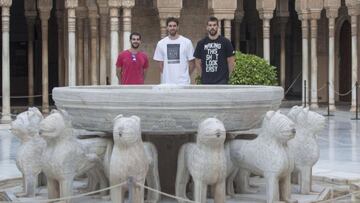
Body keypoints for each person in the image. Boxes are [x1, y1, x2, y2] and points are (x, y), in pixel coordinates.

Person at [153, 17, 195, 84]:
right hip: (167, 82)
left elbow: (192, 63)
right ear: (167, 27)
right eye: (170, 26)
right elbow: (160, 64)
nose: (172, 28)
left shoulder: (187, 42)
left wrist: (185, 75)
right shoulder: (161, 43)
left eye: (174, 26)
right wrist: (166, 75)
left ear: (178, 27)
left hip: (183, 83)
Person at [194, 16, 235, 84]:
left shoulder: (225, 42)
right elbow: (197, 62)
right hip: (206, 82)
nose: (212, 27)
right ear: (207, 27)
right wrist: (203, 77)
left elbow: (231, 61)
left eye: (214, 25)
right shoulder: (201, 43)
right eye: (210, 25)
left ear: (217, 27)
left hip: (222, 81)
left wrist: (227, 77)